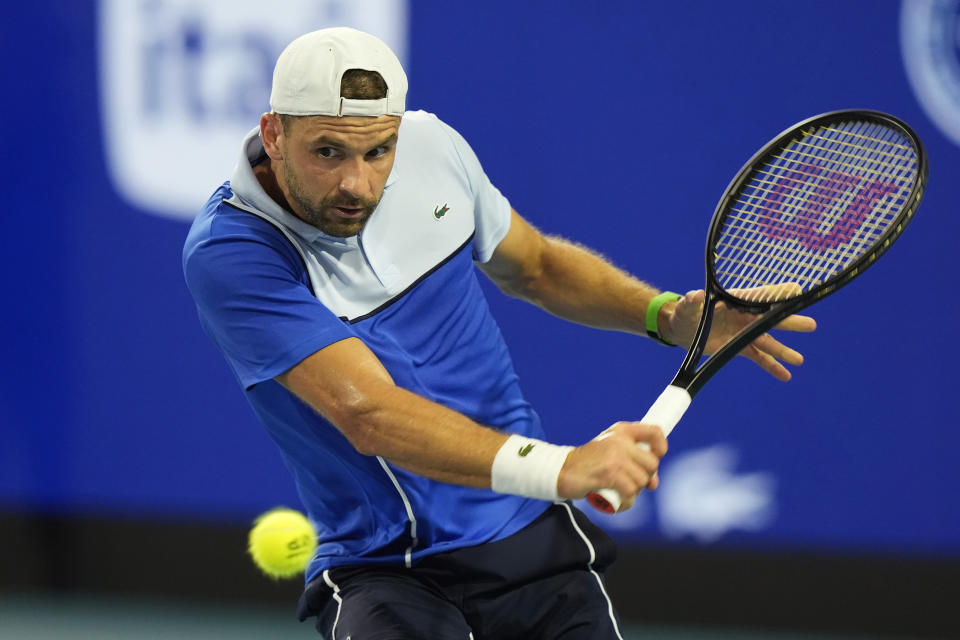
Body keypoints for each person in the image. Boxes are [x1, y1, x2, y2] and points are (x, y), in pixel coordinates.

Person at [182, 27, 815, 639]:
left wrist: (670, 317)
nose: (357, 183)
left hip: (528, 540)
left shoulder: (433, 148)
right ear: (274, 132)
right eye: (328, 152)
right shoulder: (233, 251)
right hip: (386, 568)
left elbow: (537, 267)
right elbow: (368, 413)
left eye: (378, 151)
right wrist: (561, 468)